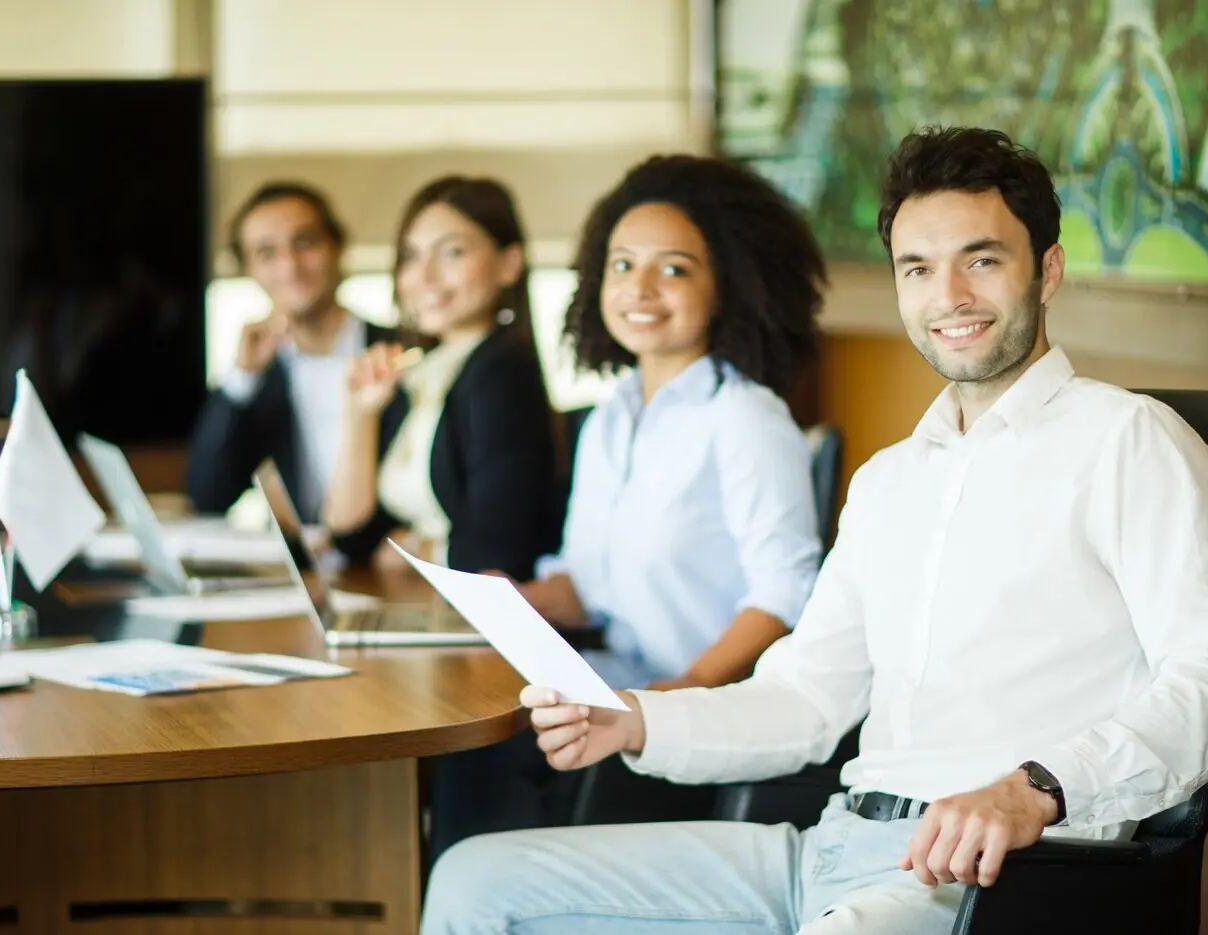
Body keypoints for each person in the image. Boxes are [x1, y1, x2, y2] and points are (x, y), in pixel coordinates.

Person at [420, 126, 1208, 934]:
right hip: (830, 845)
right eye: (918, 268)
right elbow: (805, 700)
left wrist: (1037, 787)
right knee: (475, 880)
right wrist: (635, 720)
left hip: (997, 875)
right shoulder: (889, 481)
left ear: (1046, 270)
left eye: (982, 260)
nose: (951, 298)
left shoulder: (1130, 441)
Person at [426, 154, 825, 859]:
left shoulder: (746, 417)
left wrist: (685, 691)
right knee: (461, 730)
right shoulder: (612, 415)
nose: (639, 288)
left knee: (484, 763)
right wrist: (509, 600)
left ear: (724, 285)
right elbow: (590, 583)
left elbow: (787, 592)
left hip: (684, 718)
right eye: (621, 265)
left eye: (673, 268)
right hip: (613, 683)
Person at [321, 176, 558, 580]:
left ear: (509, 264)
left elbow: (496, 553)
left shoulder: (501, 373)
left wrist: (412, 546)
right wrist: (359, 413)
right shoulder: (422, 370)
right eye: (411, 257)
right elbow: (349, 535)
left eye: (451, 253)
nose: (425, 276)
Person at [186, 182, 389, 521]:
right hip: (304, 567)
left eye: (305, 243)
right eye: (267, 254)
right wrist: (241, 379)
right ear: (249, 270)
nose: (289, 266)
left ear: (336, 247)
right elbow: (208, 495)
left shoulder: (398, 350)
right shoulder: (259, 378)